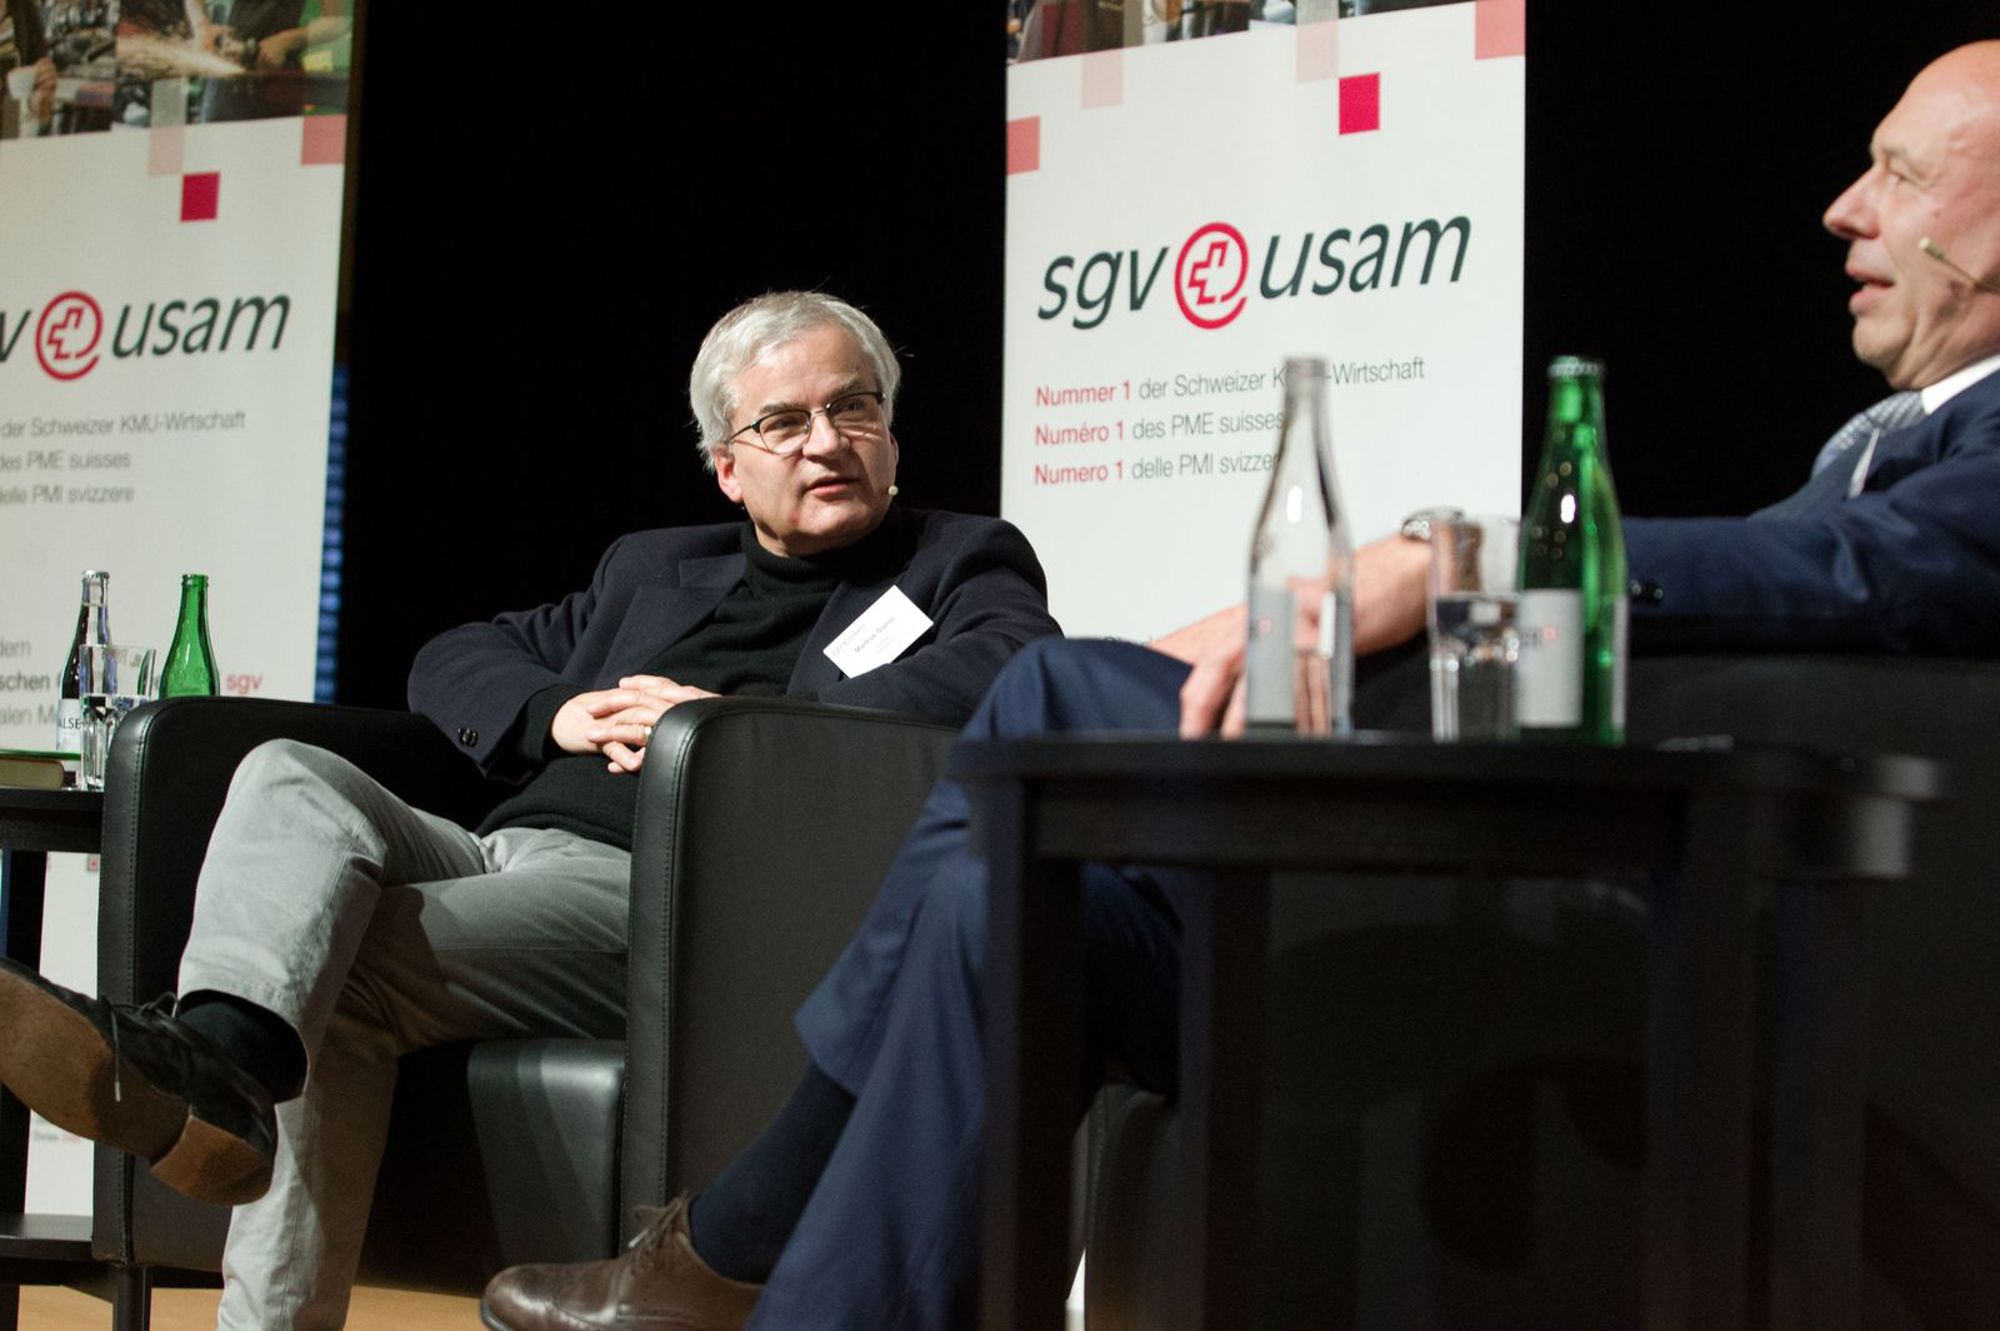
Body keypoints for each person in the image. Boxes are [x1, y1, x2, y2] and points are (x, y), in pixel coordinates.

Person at [479, 40, 2000, 1331]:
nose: (1845, 205)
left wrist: (1450, 560)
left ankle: (735, 1236)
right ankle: (769, 1274)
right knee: (1001, 903)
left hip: (1613, 916)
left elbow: (1849, 575)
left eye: (1900, 172)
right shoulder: (1894, 439)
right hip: (1545, 883)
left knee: (1051, 695)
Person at [0, 290, 1061, 1331]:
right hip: (495, 848)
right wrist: (555, 711)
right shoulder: (655, 567)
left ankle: (220, 1097)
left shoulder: (955, 562)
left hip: (672, 896)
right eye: (784, 421)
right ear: (727, 465)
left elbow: (1008, 670)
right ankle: (220, 1057)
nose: (827, 440)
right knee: (287, 770)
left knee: (339, 967)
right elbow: (455, 655)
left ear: (890, 430)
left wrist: (728, 721)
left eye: (854, 407)